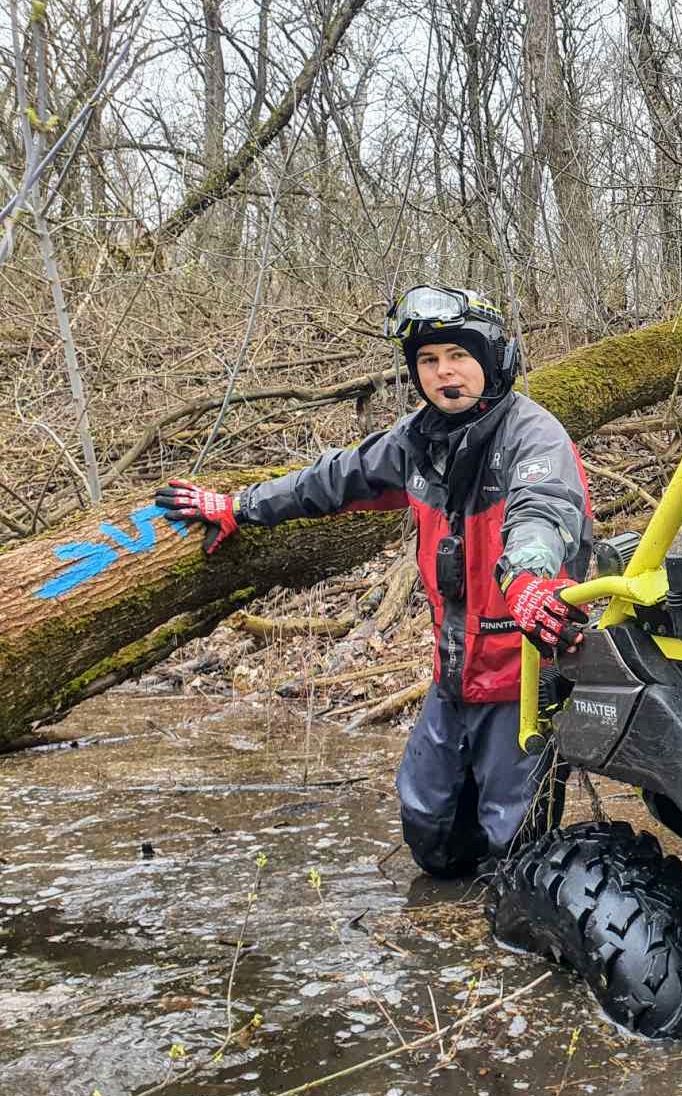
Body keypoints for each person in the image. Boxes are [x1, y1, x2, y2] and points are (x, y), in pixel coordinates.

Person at [155, 286, 592, 878]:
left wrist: (527, 581)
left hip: (522, 681)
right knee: (429, 833)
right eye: (429, 361)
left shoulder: (534, 437)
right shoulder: (417, 440)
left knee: (516, 850)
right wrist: (238, 504)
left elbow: (542, 513)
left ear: (490, 360)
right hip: (453, 672)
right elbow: (331, 479)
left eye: (458, 357)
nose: (445, 373)